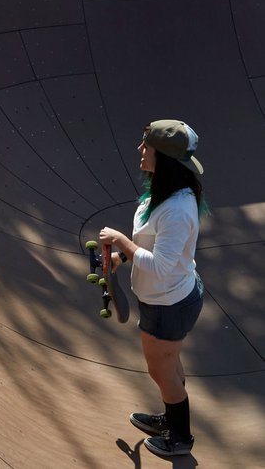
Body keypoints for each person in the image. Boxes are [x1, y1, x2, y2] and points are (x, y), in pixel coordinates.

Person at [99, 119, 206, 457]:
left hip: (168, 303)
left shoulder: (176, 208)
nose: (140, 149)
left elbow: (160, 266)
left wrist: (120, 240)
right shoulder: (163, 191)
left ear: (165, 157)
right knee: (167, 367)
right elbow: (154, 246)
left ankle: (180, 438)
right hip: (164, 298)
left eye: (147, 145)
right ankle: (170, 421)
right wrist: (122, 257)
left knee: (161, 370)